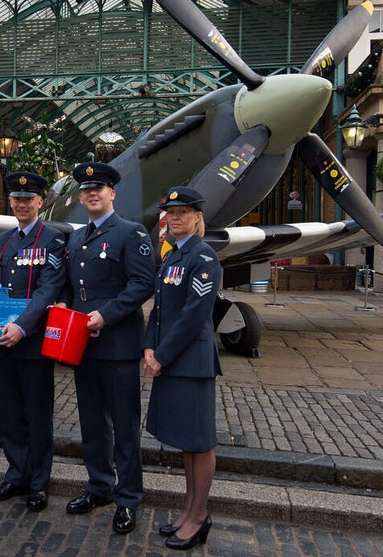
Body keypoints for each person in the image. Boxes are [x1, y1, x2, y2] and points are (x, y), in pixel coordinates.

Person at [58, 162, 155, 535]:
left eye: (98, 189)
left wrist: (105, 314)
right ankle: (99, 486)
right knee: (92, 423)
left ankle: (128, 496)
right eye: (85, 190)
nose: (91, 194)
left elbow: (142, 284)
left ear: (112, 193)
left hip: (117, 343)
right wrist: (65, 304)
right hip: (83, 344)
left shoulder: (131, 233)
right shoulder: (76, 237)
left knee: (125, 425)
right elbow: (69, 283)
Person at [0, 171, 66, 513]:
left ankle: (39, 482)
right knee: (9, 414)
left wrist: (22, 327)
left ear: (40, 202)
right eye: (16, 199)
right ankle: (16, 473)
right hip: (1, 343)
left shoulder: (52, 240)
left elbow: (47, 290)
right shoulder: (5, 240)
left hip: (32, 342)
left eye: (29, 199)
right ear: (11, 202)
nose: (22, 204)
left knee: (37, 414)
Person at [143, 186, 223, 550]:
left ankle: (199, 515)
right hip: (173, 359)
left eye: (182, 212)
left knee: (199, 442)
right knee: (187, 445)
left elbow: (194, 315)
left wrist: (162, 355)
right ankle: (189, 510)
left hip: (191, 363)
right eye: (170, 212)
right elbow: (159, 310)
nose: (174, 217)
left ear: (196, 217)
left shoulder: (202, 257)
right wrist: (148, 345)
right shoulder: (173, 255)